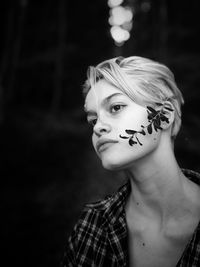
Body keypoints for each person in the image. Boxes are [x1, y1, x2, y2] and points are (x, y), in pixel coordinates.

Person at [61, 56, 200, 267]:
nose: (98, 127)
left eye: (115, 107)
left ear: (165, 114)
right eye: (93, 120)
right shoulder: (91, 225)